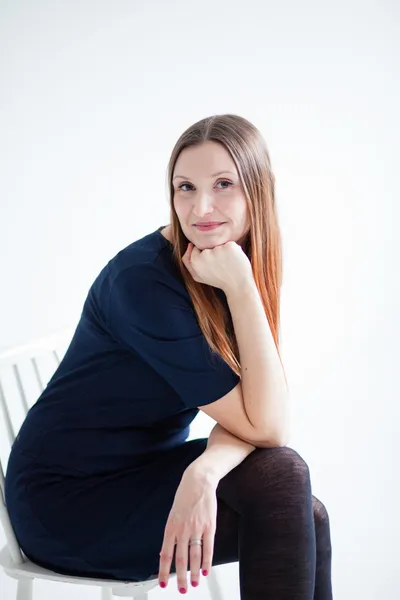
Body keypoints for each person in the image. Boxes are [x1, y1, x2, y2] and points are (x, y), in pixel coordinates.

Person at [5, 114, 333, 599]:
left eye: (224, 184)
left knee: (300, 505)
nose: (201, 207)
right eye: (185, 187)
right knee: (286, 488)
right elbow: (267, 427)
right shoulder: (143, 285)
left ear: (258, 191)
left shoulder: (226, 266)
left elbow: (261, 417)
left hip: (143, 471)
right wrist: (243, 288)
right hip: (69, 503)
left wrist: (205, 468)